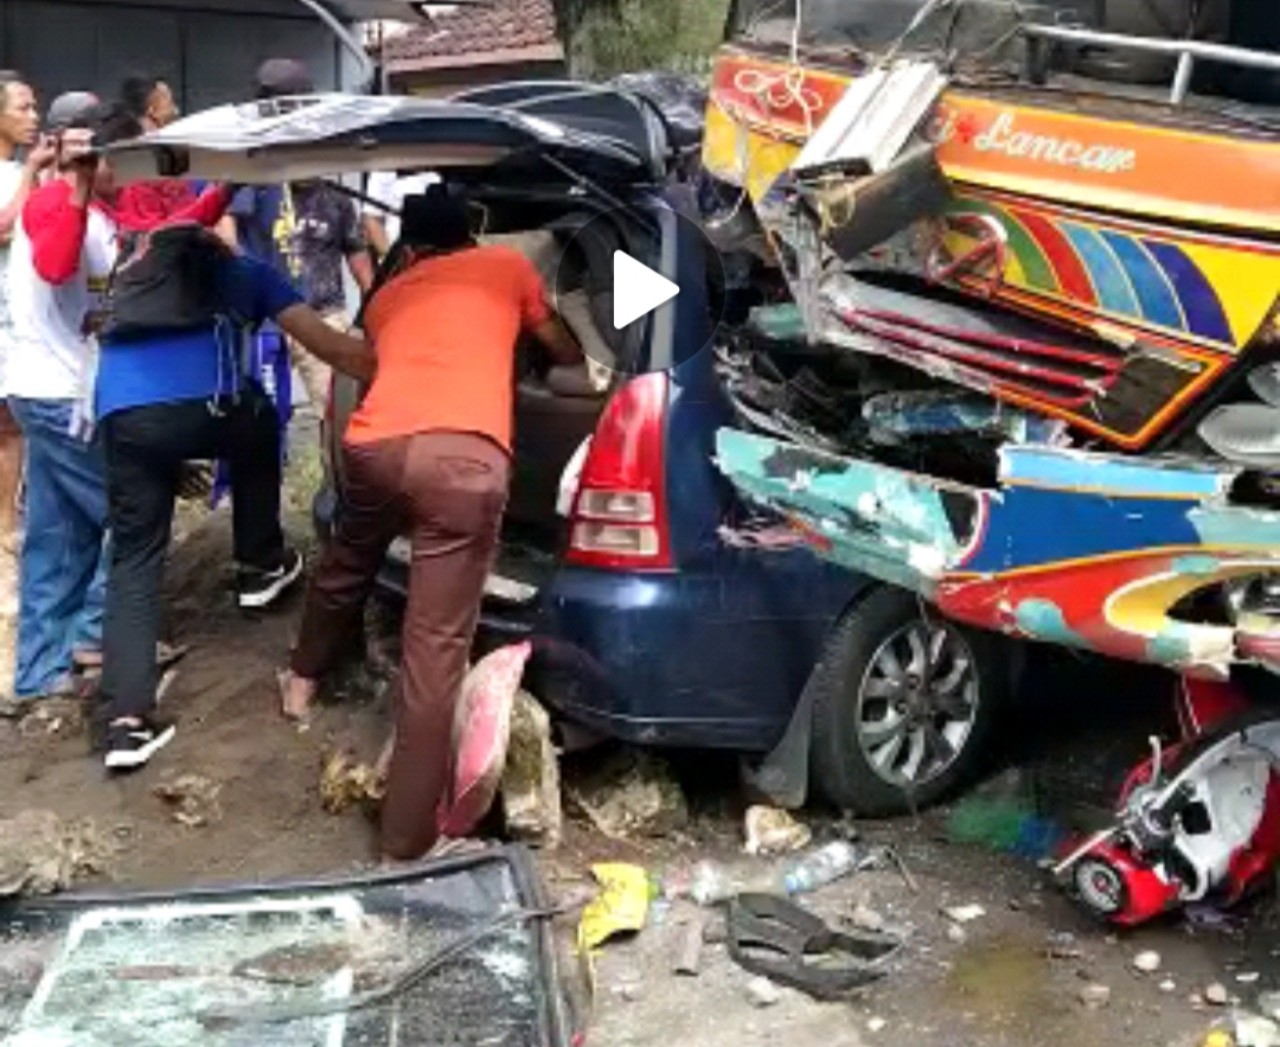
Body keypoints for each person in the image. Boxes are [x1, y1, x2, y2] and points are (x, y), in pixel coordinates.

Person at [281, 186, 583, 861]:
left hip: (377, 449)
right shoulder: (507, 269)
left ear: (412, 248)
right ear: (472, 236)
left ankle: (301, 682)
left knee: (351, 554)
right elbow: (561, 347)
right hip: (462, 463)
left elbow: (382, 360)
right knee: (435, 649)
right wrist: (545, 356)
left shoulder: (389, 297)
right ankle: (406, 842)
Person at [96, 228, 375, 770]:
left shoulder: (130, 282)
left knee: (134, 560)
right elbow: (332, 348)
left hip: (125, 418)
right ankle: (259, 563)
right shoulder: (246, 273)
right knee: (261, 420)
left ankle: (125, 725)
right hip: (214, 412)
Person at [226, 59, 373, 410]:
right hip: (267, 321)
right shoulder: (252, 177)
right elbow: (227, 234)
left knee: (336, 413)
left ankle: (332, 463)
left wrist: (376, 309)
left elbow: (359, 257)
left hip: (324, 315)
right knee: (264, 415)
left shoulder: (333, 195)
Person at [0, 72, 55, 553]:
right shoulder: (13, 174)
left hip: (21, 322)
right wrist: (30, 176)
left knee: (14, 428)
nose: (33, 117)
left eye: (36, 107)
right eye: (22, 108)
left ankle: (9, 526)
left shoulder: (24, 170)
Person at [362, 169, 440, 261]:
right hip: (398, 257)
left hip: (435, 256)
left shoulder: (437, 170)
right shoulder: (383, 172)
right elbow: (372, 219)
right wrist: (390, 258)